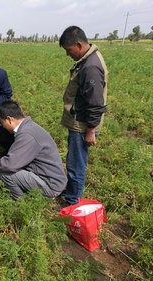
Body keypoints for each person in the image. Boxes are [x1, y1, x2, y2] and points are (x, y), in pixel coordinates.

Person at [59, 26, 108, 206]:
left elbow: (95, 102)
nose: (67, 54)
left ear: (79, 45)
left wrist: (91, 130)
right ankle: (72, 192)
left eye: (69, 50)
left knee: (76, 164)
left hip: (83, 125)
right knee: (74, 161)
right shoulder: (88, 61)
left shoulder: (91, 66)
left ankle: (73, 202)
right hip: (79, 121)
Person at [0, 100, 67, 200]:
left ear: (10, 119)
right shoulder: (29, 127)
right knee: (4, 167)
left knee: (6, 174)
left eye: (2, 123)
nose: (3, 127)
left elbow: (11, 164)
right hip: (49, 178)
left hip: (50, 185)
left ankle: (20, 201)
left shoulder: (27, 135)